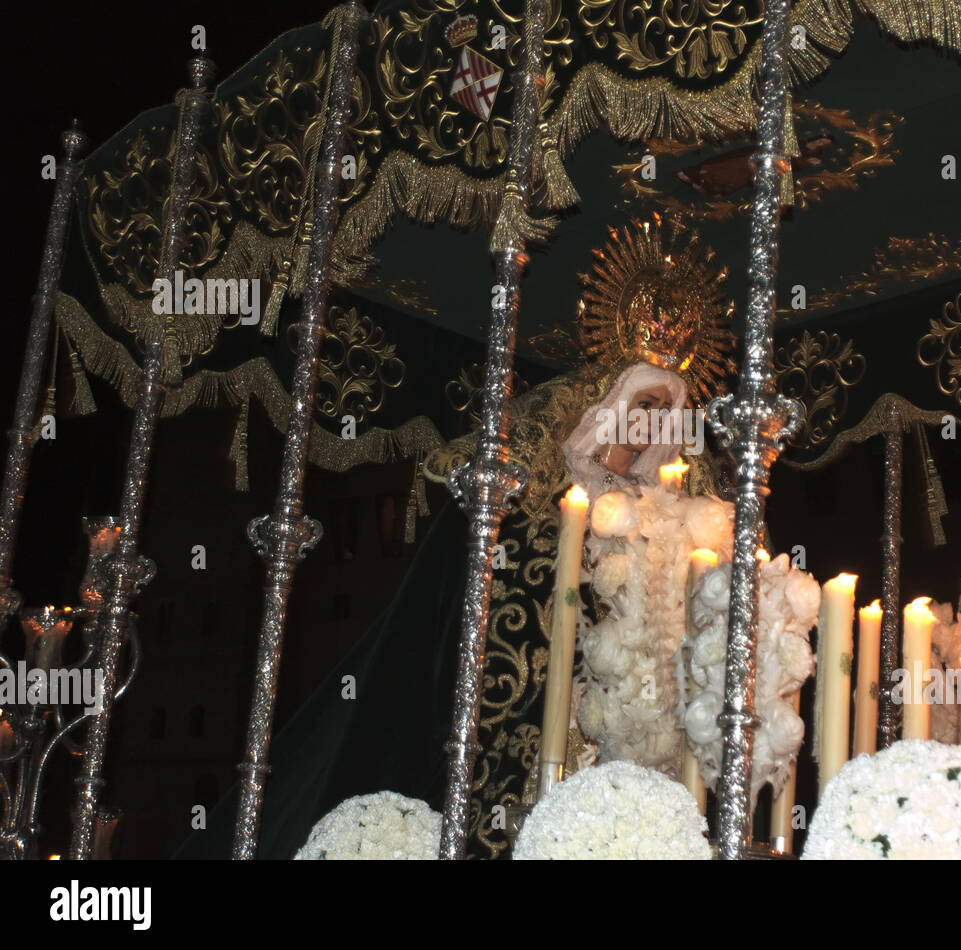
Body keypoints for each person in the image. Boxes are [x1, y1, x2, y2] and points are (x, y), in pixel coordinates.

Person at [177, 217, 735, 858]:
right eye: (642, 405)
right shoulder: (552, 511)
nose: (649, 426)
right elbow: (491, 527)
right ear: (607, 405)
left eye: (667, 413)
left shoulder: (672, 516)